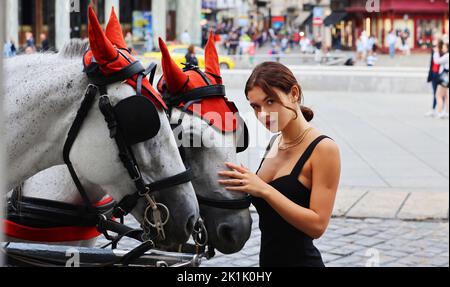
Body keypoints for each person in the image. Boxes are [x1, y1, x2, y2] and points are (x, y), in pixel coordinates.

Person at [218, 62, 341, 267]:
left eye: (270, 101)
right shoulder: (276, 141)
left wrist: (264, 189)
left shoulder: (324, 148)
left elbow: (318, 226)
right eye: (256, 106)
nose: (263, 114)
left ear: (293, 93)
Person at [425, 40, 444, 117]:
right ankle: (434, 109)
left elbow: (439, 62)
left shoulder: (442, 54)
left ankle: (442, 110)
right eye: (433, 46)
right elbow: (431, 65)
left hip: (440, 75)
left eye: (435, 46)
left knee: (440, 94)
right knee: (435, 93)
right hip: (434, 74)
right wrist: (430, 76)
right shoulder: (434, 53)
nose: (434, 48)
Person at [434, 41, 449, 119]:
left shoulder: (447, 56)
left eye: (444, 47)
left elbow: (437, 61)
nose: (442, 48)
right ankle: (446, 111)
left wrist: (436, 52)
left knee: (438, 95)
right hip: (446, 77)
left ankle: (439, 112)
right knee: (446, 95)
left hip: (444, 77)